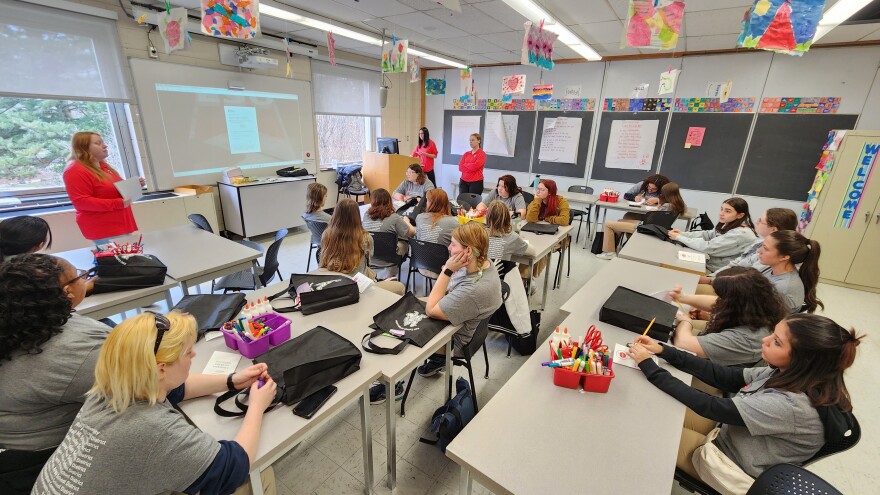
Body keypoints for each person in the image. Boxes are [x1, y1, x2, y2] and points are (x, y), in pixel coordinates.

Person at [31, 311, 279, 495]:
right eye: (186, 352)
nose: (193, 354)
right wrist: (257, 404)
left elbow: (177, 388)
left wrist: (232, 381)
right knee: (256, 478)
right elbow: (232, 468)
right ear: (160, 369)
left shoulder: (111, 387)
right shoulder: (157, 431)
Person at [628, 313, 861, 493]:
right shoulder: (795, 374)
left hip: (727, 463)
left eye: (777, 342)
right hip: (731, 436)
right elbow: (724, 376)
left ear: (802, 359)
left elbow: (709, 406)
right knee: (661, 410)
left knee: (652, 431)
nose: (765, 340)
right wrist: (664, 351)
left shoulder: (791, 405)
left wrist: (650, 367)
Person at [0, 255, 109, 493]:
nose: (86, 280)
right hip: (54, 462)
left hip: (13, 447)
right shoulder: (77, 351)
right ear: (67, 292)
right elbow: (145, 390)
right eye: (81, 276)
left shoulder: (15, 324)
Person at [417, 222, 503, 377]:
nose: (449, 248)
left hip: (454, 341)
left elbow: (431, 310)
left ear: (468, 250)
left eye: (453, 244)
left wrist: (447, 271)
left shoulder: (474, 290)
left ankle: (391, 388)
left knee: (399, 335)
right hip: (463, 321)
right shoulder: (484, 263)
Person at [669, 267, 788, 366]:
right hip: (713, 350)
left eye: (722, 297)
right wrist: (683, 298)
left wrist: (686, 322)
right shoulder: (758, 305)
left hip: (709, 373)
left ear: (734, 302)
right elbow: (716, 302)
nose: (719, 300)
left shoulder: (747, 338)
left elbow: (683, 344)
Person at [63, 132, 144, 243]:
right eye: (98, 143)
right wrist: (117, 203)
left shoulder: (102, 165)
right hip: (104, 228)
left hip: (121, 224)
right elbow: (81, 202)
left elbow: (111, 189)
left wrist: (135, 185)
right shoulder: (75, 170)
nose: (104, 146)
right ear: (83, 148)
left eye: (103, 142)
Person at [320, 198, 405, 295]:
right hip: (358, 287)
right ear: (356, 216)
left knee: (370, 272)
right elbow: (369, 257)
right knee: (399, 287)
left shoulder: (326, 234)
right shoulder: (364, 237)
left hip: (334, 283)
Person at [698, 208, 798, 288]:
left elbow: (744, 279)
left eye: (761, 221)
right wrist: (710, 278)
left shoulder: (772, 257)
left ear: (773, 229)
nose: (757, 222)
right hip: (726, 281)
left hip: (733, 287)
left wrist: (710, 280)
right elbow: (736, 264)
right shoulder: (759, 243)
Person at [596, 182, 687, 260]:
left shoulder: (666, 206)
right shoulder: (679, 205)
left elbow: (650, 221)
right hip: (656, 229)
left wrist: (654, 210)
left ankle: (610, 253)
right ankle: (621, 248)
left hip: (645, 228)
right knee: (621, 221)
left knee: (608, 224)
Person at [668, 198, 757, 273]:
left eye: (727, 211)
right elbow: (707, 234)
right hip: (710, 262)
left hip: (719, 271)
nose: (721, 213)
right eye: (721, 209)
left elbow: (709, 247)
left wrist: (680, 238)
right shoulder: (728, 223)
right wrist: (682, 234)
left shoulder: (741, 234)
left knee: (677, 269)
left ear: (740, 215)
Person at [757, 230, 823, 313]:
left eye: (766, 249)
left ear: (784, 257)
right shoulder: (772, 268)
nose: (759, 251)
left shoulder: (783, 288)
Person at [524, 179, 570, 279]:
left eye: (542, 190)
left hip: (557, 237)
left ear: (550, 192)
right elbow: (530, 218)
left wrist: (548, 218)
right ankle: (525, 277)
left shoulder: (561, 201)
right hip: (537, 233)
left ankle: (530, 277)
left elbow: (565, 220)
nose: (538, 192)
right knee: (528, 247)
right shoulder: (537, 200)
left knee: (542, 249)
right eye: (537, 189)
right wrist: (537, 201)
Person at [363, 188, 415, 260]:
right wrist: (407, 222)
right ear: (389, 201)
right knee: (405, 241)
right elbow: (410, 233)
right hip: (390, 256)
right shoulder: (394, 217)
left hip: (370, 253)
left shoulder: (366, 215)